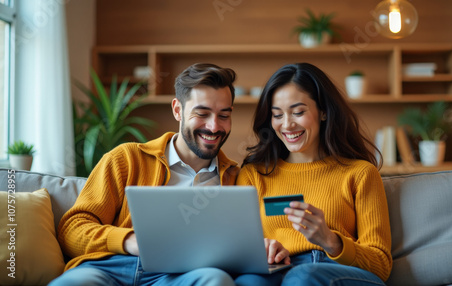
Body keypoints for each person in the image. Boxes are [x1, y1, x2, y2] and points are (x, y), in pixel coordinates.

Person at [50, 63, 241, 286]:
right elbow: (72, 229)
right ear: (177, 110)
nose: (214, 126)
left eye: (223, 115)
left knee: (216, 280)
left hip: (178, 276)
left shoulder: (236, 178)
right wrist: (130, 241)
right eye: (202, 113)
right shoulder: (126, 159)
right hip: (109, 268)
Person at [236, 63, 393, 285]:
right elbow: (240, 249)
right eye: (277, 115)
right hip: (277, 270)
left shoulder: (360, 174)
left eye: (298, 112)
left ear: (323, 112)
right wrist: (263, 248)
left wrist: (331, 241)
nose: (287, 125)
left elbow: (381, 266)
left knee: (302, 277)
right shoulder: (253, 175)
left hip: (334, 270)